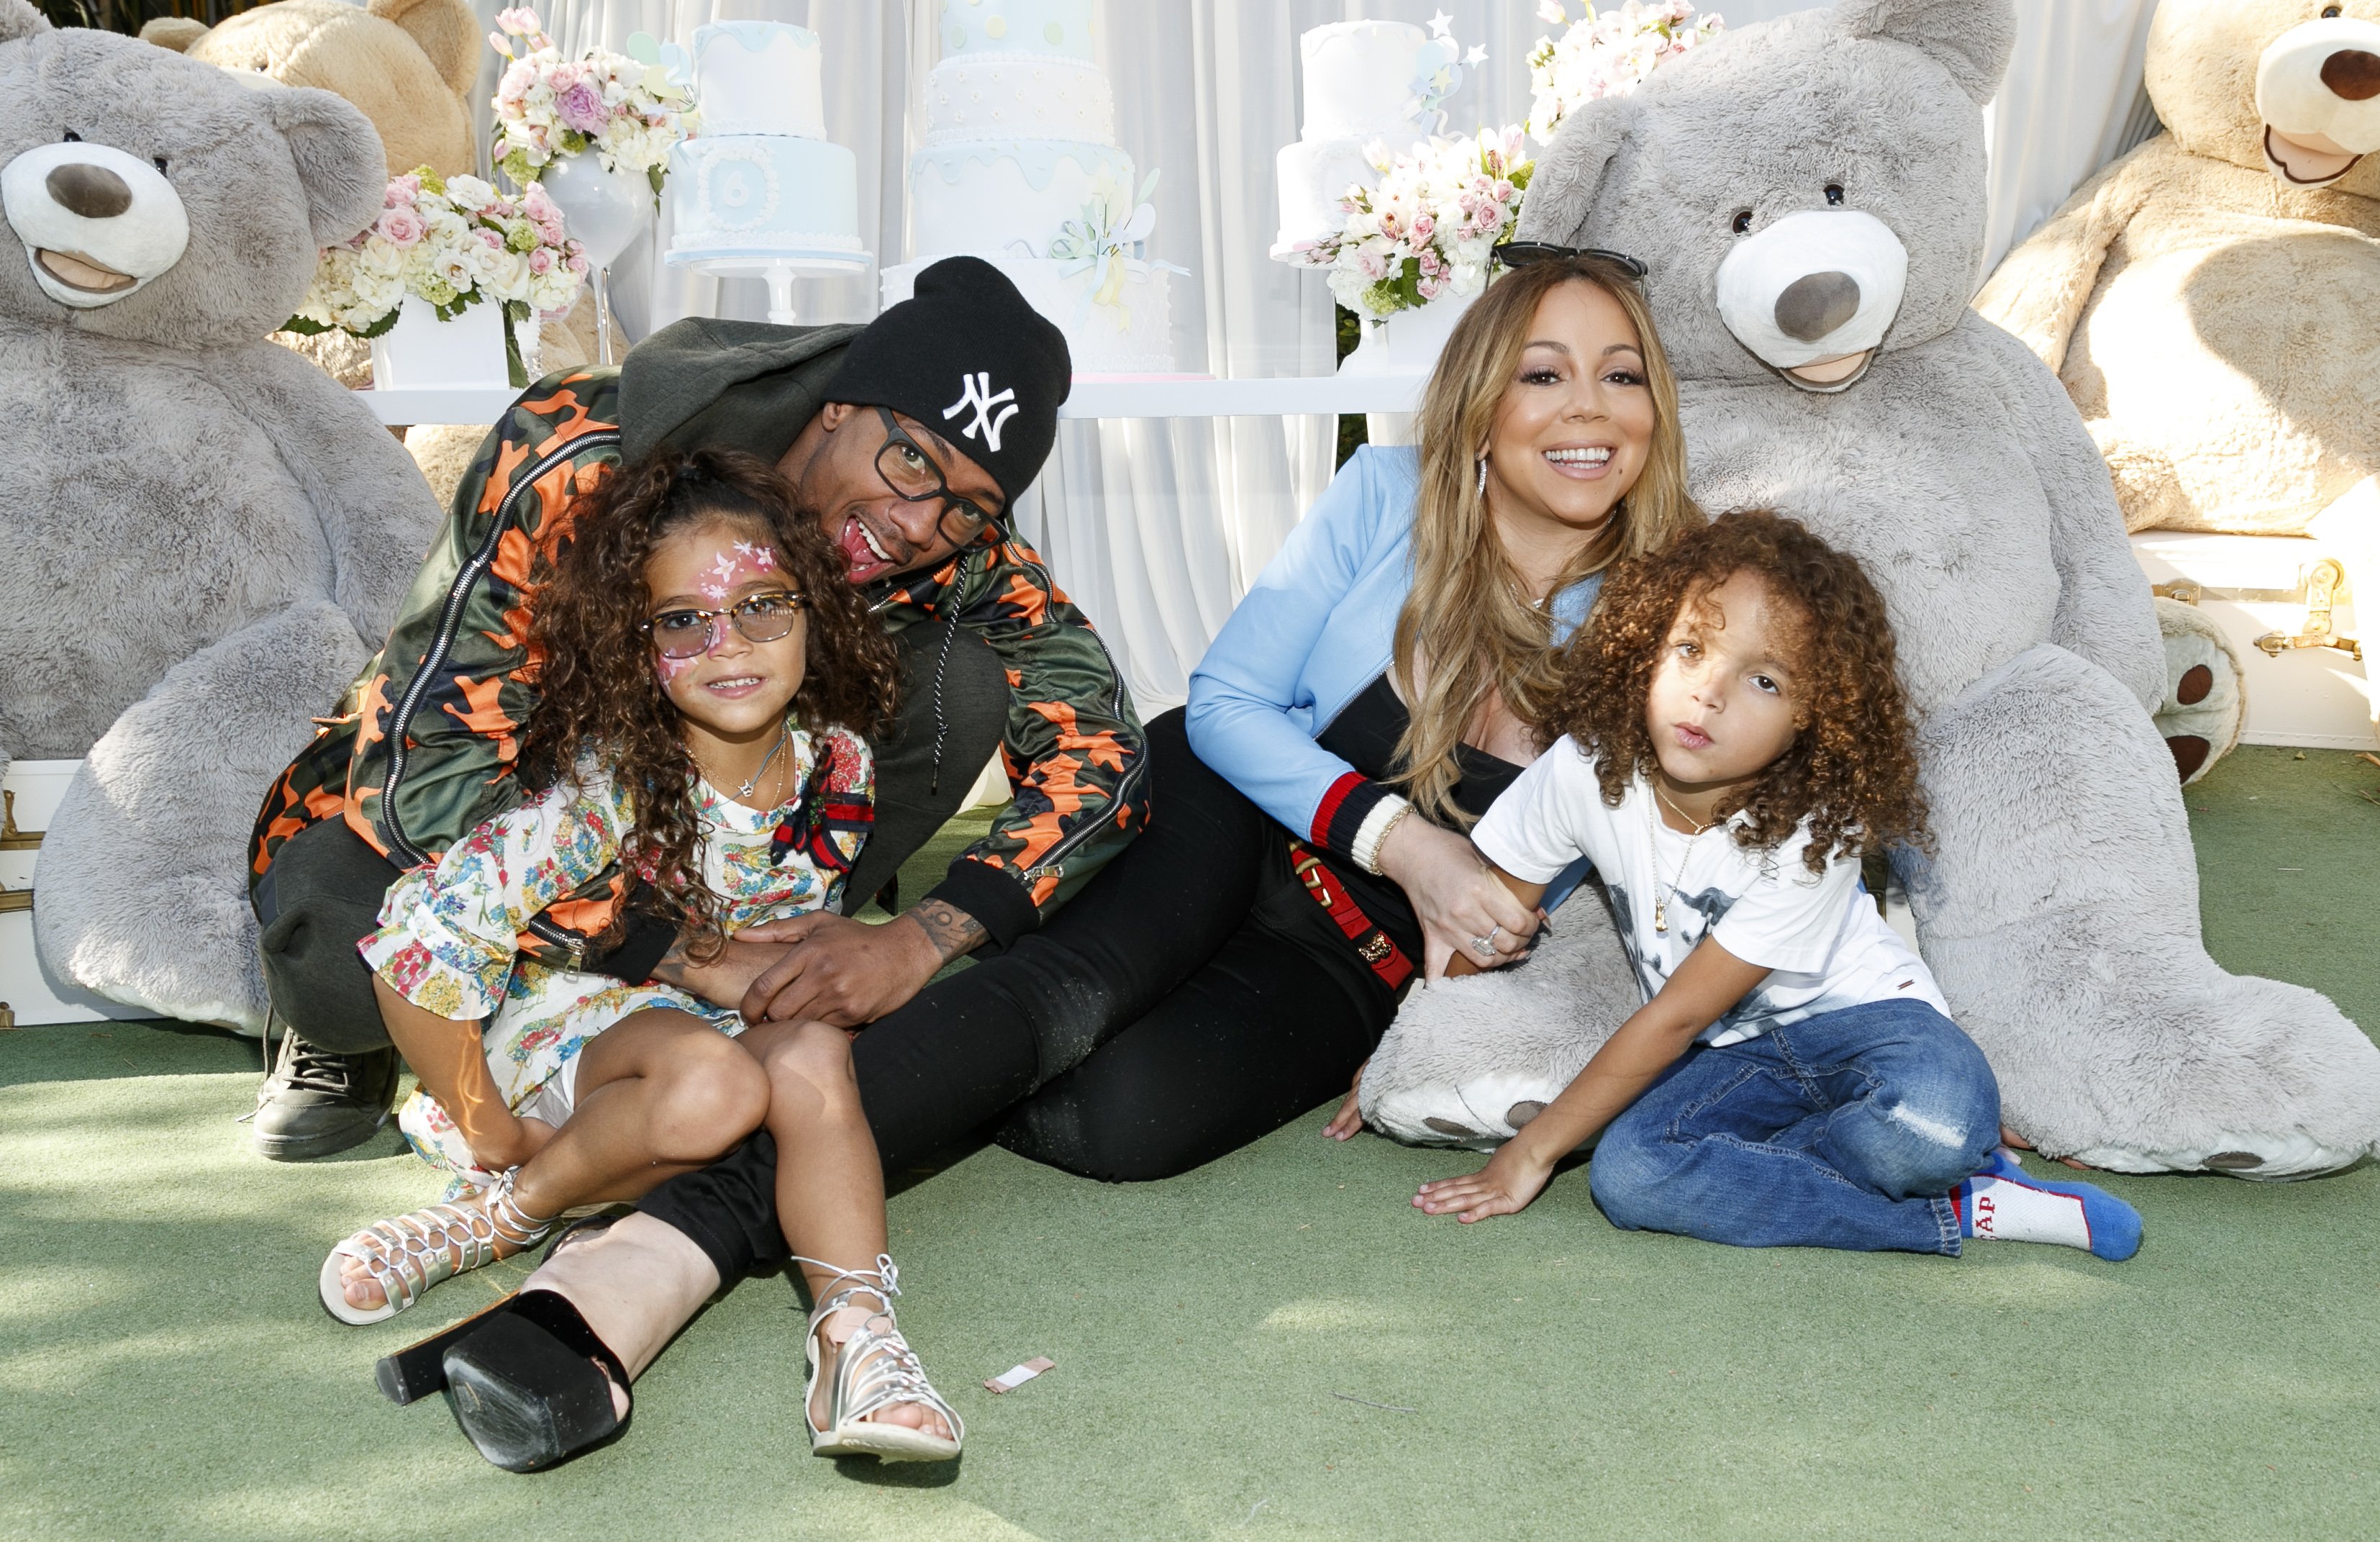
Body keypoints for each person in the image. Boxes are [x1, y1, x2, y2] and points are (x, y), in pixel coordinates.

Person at [417, 253, 1710, 1471]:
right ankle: (625, 1278)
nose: (1583, 409)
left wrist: (1453, 1042)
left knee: (1111, 1121)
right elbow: (1228, 705)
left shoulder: (1684, 611)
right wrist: (1402, 842)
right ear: (1484, 397)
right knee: (1050, 1003)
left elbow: (1678, 888)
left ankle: (814, 1072)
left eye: (1621, 374)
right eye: (1543, 372)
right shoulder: (1386, 496)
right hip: (1229, 815)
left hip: (1349, 961)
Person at [247, 255, 1140, 1162]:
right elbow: (430, 762)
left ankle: (791, 954)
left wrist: (920, 939)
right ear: (839, 403)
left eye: (967, 506)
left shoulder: (954, 540)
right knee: (339, 955)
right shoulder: (578, 452)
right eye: (910, 456)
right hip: (521, 821)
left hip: (712, 839)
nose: (917, 523)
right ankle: (418, 1032)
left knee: (959, 683)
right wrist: (673, 950)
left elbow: (1106, 752)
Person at [319, 451, 960, 1466]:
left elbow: (781, 942)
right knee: (714, 1085)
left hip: (706, 1063)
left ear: (816, 611)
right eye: (682, 620)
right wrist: (488, 1126)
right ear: (633, 638)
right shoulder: (607, 784)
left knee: (816, 1049)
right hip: (571, 1053)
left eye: (761, 605)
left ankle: (858, 1338)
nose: (729, 643)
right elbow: (418, 943)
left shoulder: (841, 761)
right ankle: (505, 1210)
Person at [1408, 510, 2143, 1261]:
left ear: (1810, 718)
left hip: (1870, 1030)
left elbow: (1669, 1019)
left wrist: (1531, 1151)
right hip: (1731, 1060)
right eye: (1689, 649)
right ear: (1642, 651)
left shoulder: (1811, 831)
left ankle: (1931, 1161)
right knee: (1629, 1175)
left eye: (1762, 679)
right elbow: (1487, 916)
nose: (1709, 693)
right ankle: (1959, 1208)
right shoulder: (1582, 767)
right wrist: (1416, 1038)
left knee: (1936, 1125)